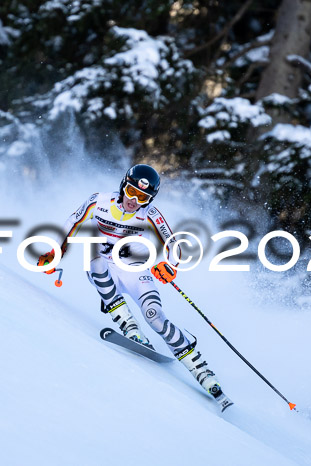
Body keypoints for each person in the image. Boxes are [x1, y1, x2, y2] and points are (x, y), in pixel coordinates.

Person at [38, 164, 231, 408]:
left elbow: (173, 245)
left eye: (142, 197)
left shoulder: (150, 213)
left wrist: (170, 266)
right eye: (131, 192)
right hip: (106, 266)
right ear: (123, 186)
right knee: (95, 262)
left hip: (136, 271)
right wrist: (55, 252)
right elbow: (71, 224)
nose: (134, 200)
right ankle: (130, 327)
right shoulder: (99, 201)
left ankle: (201, 371)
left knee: (155, 317)